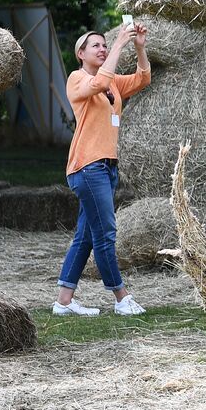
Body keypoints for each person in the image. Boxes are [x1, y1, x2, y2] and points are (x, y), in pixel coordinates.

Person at [54, 24, 151, 316]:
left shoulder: (113, 83)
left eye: (104, 45)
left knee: (86, 235)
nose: (102, 48)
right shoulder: (77, 79)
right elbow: (98, 84)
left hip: (107, 167)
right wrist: (120, 43)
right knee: (106, 234)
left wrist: (140, 47)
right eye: (95, 45)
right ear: (80, 54)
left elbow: (143, 78)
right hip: (87, 166)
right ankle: (121, 298)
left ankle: (64, 301)